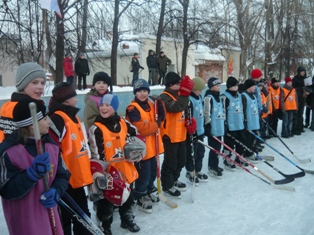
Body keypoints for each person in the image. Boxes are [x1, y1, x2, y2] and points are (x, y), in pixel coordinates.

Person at [0, 98, 70, 235]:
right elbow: (6, 189)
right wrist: (30, 174)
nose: (49, 121)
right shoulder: (9, 152)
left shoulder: (52, 146)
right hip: (25, 221)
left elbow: (63, 175)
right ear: (32, 124)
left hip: (51, 217)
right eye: (45, 119)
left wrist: (56, 191)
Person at [88, 94, 140, 235]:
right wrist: (102, 175)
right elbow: (96, 156)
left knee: (128, 198)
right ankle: (105, 223)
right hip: (108, 174)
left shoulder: (123, 122)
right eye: (102, 105)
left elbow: (136, 132)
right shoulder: (96, 128)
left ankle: (126, 217)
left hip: (126, 169)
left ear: (115, 108)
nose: (104, 108)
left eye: (108, 105)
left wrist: (134, 145)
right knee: (107, 203)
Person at [48, 82, 94, 235]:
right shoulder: (58, 118)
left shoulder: (71, 116)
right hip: (66, 180)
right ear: (66, 99)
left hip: (77, 178)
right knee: (68, 217)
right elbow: (53, 149)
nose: (76, 98)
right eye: (73, 95)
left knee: (81, 214)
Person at [125, 79, 165, 213]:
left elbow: (161, 117)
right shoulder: (132, 108)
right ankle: (140, 196)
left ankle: (148, 191)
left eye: (145, 91)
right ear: (135, 93)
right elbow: (141, 129)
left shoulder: (150, 104)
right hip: (141, 149)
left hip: (153, 147)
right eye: (139, 91)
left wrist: (160, 104)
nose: (143, 94)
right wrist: (156, 125)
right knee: (144, 174)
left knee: (153, 171)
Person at [160, 72, 195, 197]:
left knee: (181, 160)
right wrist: (185, 94)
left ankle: (174, 179)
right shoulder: (164, 97)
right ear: (170, 85)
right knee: (171, 162)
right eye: (178, 84)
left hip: (181, 134)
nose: (180, 86)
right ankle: (167, 184)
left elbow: (185, 109)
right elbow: (176, 107)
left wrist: (189, 121)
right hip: (169, 135)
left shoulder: (179, 95)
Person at [0, 62, 47, 143]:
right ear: (22, 84)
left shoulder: (8, 105)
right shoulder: (23, 108)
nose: (40, 87)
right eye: (35, 82)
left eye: (42, 83)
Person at [185, 77, 208, 184]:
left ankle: (198, 170)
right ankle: (190, 171)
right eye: (199, 89)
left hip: (200, 132)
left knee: (201, 153)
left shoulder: (199, 98)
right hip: (192, 134)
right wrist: (191, 132)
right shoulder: (190, 100)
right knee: (192, 154)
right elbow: (189, 118)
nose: (201, 91)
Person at [221, 76, 248, 169]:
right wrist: (224, 124)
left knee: (242, 141)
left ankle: (240, 156)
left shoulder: (239, 96)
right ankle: (227, 158)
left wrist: (244, 120)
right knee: (229, 143)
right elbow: (223, 111)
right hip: (230, 125)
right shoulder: (225, 97)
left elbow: (242, 109)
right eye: (234, 86)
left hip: (239, 124)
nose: (237, 87)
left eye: (237, 86)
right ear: (229, 86)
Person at [204, 77, 225, 177]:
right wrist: (207, 126)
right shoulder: (208, 98)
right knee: (214, 149)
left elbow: (222, 111)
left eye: (219, 86)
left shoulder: (219, 97)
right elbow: (206, 113)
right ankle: (212, 166)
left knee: (218, 148)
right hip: (213, 129)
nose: (219, 87)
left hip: (219, 127)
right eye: (217, 86)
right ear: (211, 87)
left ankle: (215, 164)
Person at [241, 79, 261, 153]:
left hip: (254, 122)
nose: (255, 88)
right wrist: (245, 121)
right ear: (248, 87)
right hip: (249, 123)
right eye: (253, 86)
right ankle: (247, 153)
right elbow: (243, 110)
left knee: (253, 139)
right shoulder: (244, 96)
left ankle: (252, 151)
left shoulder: (254, 96)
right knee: (248, 140)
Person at [292, 66, 306, 135]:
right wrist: (301, 88)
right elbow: (293, 88)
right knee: (296, 113)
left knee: (301, 112)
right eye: (302, 72)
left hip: (303, 97)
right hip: (297, 97)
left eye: (304, 72)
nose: (303, 73)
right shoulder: (295, 79)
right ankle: (295, 127)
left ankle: (300, 126)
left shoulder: (305, 79)